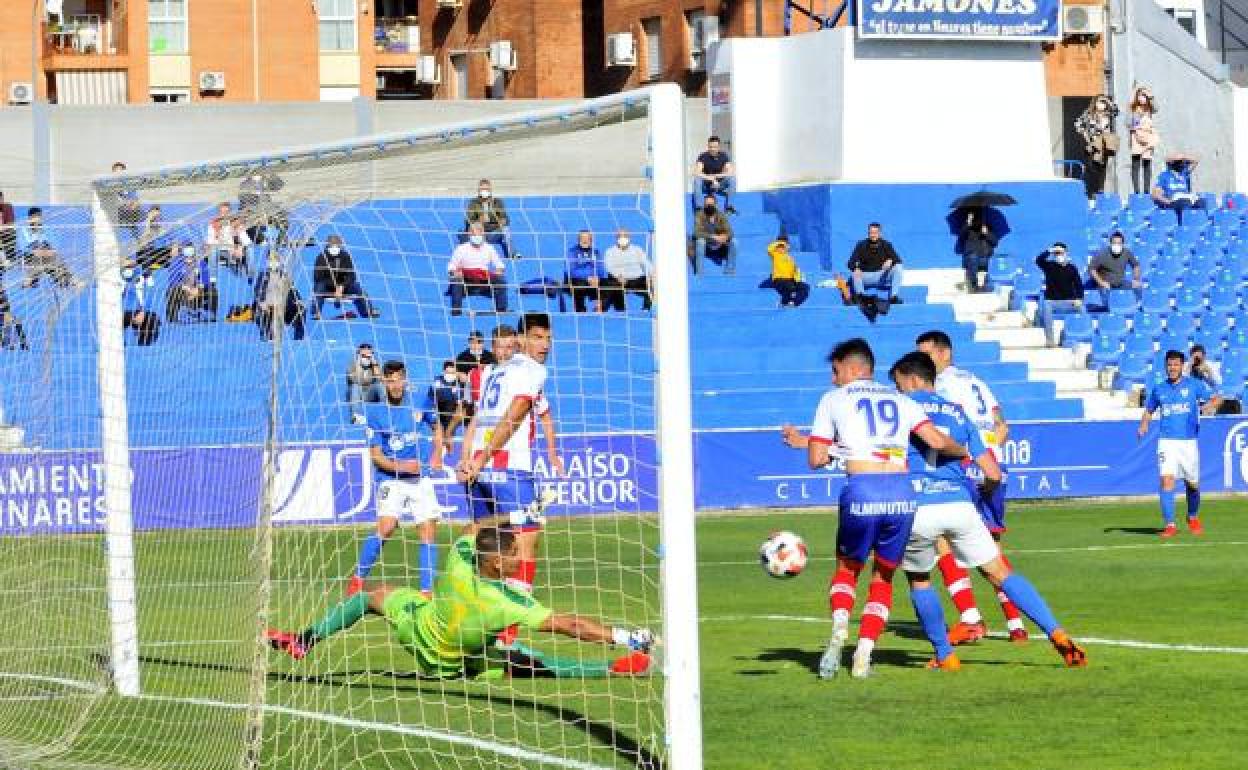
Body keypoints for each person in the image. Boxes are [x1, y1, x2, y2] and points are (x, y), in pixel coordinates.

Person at [781, 338, 968, 679]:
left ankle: (840, 629)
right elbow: (938, 442)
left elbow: (816, 460)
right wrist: (963, 452)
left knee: (848, 568)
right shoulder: (901, 399)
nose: (833, 379)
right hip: (902, 493)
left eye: (836, 371)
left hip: (862, 490)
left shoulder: (833, 399)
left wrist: (815, 445)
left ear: (855, 369)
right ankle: (865, 650)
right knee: (884, 575)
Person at [891, 352, 1088, 670]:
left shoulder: (901, 409)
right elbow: (993, 473)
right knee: (1000, 572)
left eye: (899, 384)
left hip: (919, 506)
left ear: (912, 379)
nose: (898, 390)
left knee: (919, 579)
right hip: (959, 504)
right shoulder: (957, 412)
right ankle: (1058, 635)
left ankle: (945, 655)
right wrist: (986, 492)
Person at [267, 525, 656, 680]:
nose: (521, 559)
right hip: (455, 664)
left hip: (418, 630)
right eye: (513, 554)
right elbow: (570, 626)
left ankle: (306, 639)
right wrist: (624, 634)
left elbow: (474, 533)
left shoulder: (459, 556)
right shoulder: (506, 603)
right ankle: (614, 666)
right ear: (496, 562)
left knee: (375, 596)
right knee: (532, 662)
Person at [915, 330, 1024, 644]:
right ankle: (1015, 623)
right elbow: (1002, 426)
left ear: (945, 353)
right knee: (991, 549)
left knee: (941, 540)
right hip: (995, 468)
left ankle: (970, 619)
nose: (922, 362)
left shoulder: (942, 386)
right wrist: (988, 457)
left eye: (927, 354)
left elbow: (940, 434)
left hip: (965, 469)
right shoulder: (977, 382)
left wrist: (966, 459)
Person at [457, 314, 556, 618]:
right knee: (524, 543)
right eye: (538, 337)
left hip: (480, 472)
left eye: (549, 338)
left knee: (483, 543)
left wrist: (468, 459)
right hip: (508, 469)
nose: (545, 345)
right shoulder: (532, 369)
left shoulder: (493, 370)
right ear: (521, 339)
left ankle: (467, 617)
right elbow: (514, 416)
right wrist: (483, 456)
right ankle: (508, 636)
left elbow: (475, 417)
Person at [346, 359, 446, 597]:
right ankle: (358, 579)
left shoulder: (421, 401)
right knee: (387, 526)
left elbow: (437, 425)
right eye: (389, 380)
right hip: (390, 478)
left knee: (428, 530)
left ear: (405, 379)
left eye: (398, 378)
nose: (395, 384)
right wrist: (401, 466)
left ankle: (426, 591)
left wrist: (437, 455)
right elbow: (376, 456)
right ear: (384, 382)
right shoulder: (375, 413)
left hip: (419, 478)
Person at [1138, 350, 1221, 538]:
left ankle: (1192, 516)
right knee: (1166, 480)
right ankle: (1170, 525)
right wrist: (1143, 425)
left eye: (1175, 364)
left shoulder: (1194, 385)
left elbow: (1218, 397)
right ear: (1165, 366)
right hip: (1166, 442)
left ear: (1182, 366)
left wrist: (1210, 405)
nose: (1172, 368)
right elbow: (1149, 410)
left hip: (1188, 442)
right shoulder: (1159, 389)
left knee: (1192, 484)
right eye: (1169, 364)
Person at [447, 222, 508, 317]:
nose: (476, 235)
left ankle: (501, 309)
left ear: (483, 233)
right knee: (455, 280)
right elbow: (451, 266)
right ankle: (456, 311)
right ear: (469, 234)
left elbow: (500, 264)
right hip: (466, 282)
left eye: (479, 232)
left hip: (484, 281)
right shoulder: (461, 248)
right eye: (473, 233)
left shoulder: (489, 248)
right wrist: (454, 272)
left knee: (500, 279)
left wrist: (499, 270)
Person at [312, 234, 378, 320]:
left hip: (344, 287)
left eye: (336, 245)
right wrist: (334, 286)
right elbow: (318, 277)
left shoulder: (345, 256)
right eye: (332, 246)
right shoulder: (321, 258)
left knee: (357, 287)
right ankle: (316, 312)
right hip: (327, 288)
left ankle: (367, 311)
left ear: (340, 246)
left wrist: (342, 286)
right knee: (318, 288)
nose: (334, 248)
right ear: (327, 246)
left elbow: (351, 275)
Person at [1034, 242, 1085, 346]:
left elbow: (1079, 285)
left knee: (1082, 309)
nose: (1059, 255)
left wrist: (1079, 298)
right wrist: (1050, 250)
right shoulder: (1049, 266)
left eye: (1061, 252)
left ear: (1066, 253)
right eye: (1057, 253)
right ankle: (1050, 340)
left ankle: (1078, 335)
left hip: (1069, 301)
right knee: (1046, 306)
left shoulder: (1072, 268)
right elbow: (1038, 260)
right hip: (1052, 301)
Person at [18, 208, 80, 290]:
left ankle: (69, 279)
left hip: (46, 256)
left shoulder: (46, 230)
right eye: (36, 217)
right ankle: (31, 277)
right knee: (40, 252)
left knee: (52, 255)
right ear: (30, 218)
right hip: (30, 257)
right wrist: (36, 250)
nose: (38, 219)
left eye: (40, 216)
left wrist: (45, 250)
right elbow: (23, 248)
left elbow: (52, 246)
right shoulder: (23, 230)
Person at [252, 251, 306, 341]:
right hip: (269, 307)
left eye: (275, 259)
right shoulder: (262, 276)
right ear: (267, 261)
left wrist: (298, 300)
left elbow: (292, 290)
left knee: (300, 308)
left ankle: (299, 337)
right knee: (260, 311)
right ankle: (267, 335)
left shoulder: (284, 275)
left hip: (284, 307)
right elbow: (258, 292)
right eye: (271, 260)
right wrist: (263, 303)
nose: (273, 262)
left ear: (279, 261)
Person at [1075, 94, 1119, 203]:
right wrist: (1085, 135)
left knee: (1102, 170)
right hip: (1092, 145)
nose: (1102, 104)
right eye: (1100, 102)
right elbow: (1077, 124)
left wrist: (1107, 101)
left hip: (1104, 145)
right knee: (1091, 169)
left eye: (1103, 102)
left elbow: (1116, 111)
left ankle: (1099, 191)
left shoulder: (1107, 114)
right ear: (1095, 103)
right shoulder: (1089, 114)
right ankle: (1090, 192)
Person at [847, 222, 903, 304]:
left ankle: (893, 297)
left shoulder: (886, 245)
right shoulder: (861, 245)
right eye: (870, 233)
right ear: (868, 233)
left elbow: (898, 260)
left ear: (879, 233)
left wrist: (891, 260)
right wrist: (856, 268)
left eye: (875, 233)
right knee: (854, 273)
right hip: (866, 276)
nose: (873, 235)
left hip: (881, 276)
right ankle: (861, 297)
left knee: (898, 267)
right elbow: (850, 263)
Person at [164, 242, 219, 323]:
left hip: (197, 293)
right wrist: (187, 289)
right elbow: (173, 282)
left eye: (191, 253)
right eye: (186, 253)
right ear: (182, 253)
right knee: (171, 291)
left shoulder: (201, 263)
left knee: (212, 290)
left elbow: (206, 280)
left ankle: (210, 313)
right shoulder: (176, 264)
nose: (189, 257)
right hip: (183, 294)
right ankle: (173, 317)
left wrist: (198, 289)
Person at [601, 229, 653, 312]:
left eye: (625, 236)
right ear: (616, 238)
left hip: (637, 279)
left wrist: (652, 274)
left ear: (629, 237)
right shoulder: (610, 251)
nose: (623, 238)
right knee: (608, 287)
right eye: (620, 236)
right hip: (618, 279)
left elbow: (646, 263)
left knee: (652, 285)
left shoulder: (637, 250)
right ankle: (605, 311)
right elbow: (608, 266)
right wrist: (618, 276)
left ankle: (645, 310)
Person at [1088, 231, 1142, 309]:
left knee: (1138, 286)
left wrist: (1136, 278)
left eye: (1119, 243)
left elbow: (1136, 265)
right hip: (1105, 284)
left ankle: (1138, 307)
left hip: (1120, 283)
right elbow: (1091, 269)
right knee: (1104, 293)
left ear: (1123, 244)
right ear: (1110, 243)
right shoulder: (1102, 254)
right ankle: (1106, 310)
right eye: (1114, 243)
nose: (1117, 245)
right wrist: (1101, 282)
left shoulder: (1127, 252)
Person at [463, 179, 512, 258]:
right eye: (482, 189)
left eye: (487, 189)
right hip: (479, 232)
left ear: (490, 190)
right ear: (478, 191)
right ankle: (474, 256)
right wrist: (478, 221)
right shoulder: (473, 202)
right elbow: (468, 219)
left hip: (494, 230)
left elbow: (505, 218)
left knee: (506, 229)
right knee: (473, 228)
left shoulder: (497, 202)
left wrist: (502, 221)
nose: (484, 191)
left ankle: (511, 254)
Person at [691, 194, 737, 276]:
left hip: (720, 246)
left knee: (734, 241)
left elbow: (730, 232)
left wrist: (724, 237)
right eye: (707, 204)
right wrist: (713, 237)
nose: (709, 206)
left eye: (711, 204)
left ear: (715, 205)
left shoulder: (721, 215)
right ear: (704, 205)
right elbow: (696, 232)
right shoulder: (699, 215)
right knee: (700, 241)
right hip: (706, 246)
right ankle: (699, 273)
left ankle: (729, 271)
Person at [1152, 153, 1204, 225]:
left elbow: (1195, 161)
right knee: (1184, 202)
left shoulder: (1184, 174)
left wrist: (1183, 156)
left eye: (1182, 162)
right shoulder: (1164, 175)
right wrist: (1169, 202)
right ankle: (1185, 225)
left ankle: (1197, 226)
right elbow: (1155, 194)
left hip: (1187, 197)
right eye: (1179, 162)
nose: (1182, 164)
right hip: (1175, 200)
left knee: (1201, 201)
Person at [204, 202, 252, 278]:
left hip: (232, 250)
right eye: (222, 212)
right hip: (219, 250)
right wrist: (217, 238)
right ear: (219, 213)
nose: (224, 215)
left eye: (226, 212)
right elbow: (210, 242)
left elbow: (246, 240)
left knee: (249, 250)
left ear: (230, 212)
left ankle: (250, 276)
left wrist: (240, 248)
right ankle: (213, 279)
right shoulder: (213, 224)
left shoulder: (236, 223)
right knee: (213, 251)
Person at [428, 359, 465, 455]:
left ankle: (450, 453)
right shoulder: (437, 381)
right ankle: (437, 453)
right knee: (438, 438)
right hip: (438, 414)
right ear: (444, 371)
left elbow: (461, 401)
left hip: (453, 415)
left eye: (452, 372)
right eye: (448, 372)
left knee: (450, 438)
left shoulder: (460, 383)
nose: (450, 374)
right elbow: (431, 397)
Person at [956, 209, 998, 293]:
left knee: (992, 262)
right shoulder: (969, 228)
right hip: (973, 255)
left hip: (985, 255)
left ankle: (987, 285)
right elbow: (961, 235)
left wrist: (987, 233)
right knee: (973, 258)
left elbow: (995, 242)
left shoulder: (987, 227)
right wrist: (968, 222)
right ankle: (973, 285)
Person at [565, 230, 607, 313]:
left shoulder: (596, 252)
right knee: (579, 285)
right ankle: (580, 310)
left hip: (594, 279)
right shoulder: (572, 252)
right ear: (578, 239)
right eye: (582, 238)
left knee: (608, 283)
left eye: (587, 238)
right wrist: (587, 277)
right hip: (577, 280)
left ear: (591, 240)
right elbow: (570, 271)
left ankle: (600, 308)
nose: (585, 240)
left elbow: (601, 269)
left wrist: (597, 278)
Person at [692, 136, 736, 214]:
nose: (712, 149)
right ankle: (699, 208)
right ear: (708, 146)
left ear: (719, 147)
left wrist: (716, 177)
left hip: (719, 185)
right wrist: (711, 179)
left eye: (715, 147)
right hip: (706, 185)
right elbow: (696, 172)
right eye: (710, 147)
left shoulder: (724, 156)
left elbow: (730, 172)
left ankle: (729, 207)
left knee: (732, 179)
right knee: (697, 179)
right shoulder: (703, 156)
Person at [1128, 86, 1159, 196]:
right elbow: (1129, 123)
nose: (1143, 98)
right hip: (1136, 137)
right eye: (1141, 95)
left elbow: (1156, 108)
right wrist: (1137, 116)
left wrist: (1150, 96)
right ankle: (1136, 191)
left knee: (1147, 164)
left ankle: (1146, 191)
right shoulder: (1133, 108)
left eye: (1144, 96)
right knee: (1135, 164)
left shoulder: (1150, 108)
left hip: (1148, 137)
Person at [121, 262, 160, 346]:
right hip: (123, 312)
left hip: (141, 312)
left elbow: (149, 297)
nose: (129, 269)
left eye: (131, 266)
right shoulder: (117, 280)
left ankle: (145, 339)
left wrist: (143, 312)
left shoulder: (144, 279)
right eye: (127, 267)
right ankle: (118, 341)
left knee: (152, 319)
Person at [765, 235, 809, 308]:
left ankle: (792, 303)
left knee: (805, 287)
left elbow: (795, 271)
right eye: (780, 246)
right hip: (779, 279)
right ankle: (785, 302)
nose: (782, 248)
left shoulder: (790, 258)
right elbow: (769, 248)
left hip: (790, 280)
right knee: (789, 288)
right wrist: (780, 242)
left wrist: (798, 281)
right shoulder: (775, 254)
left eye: (783, 246)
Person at [345, 343, 383, 419]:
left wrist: (374, 363)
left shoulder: (374, 366)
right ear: (358, 355)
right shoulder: (352, 366)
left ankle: (388, 411)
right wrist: (358, 362)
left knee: (379, 385)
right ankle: (355, 417)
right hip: (356, 395)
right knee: (356, 386)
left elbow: (380, 379)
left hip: (370, 395)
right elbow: (357, 380)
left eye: (369, 356)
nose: (366, 358)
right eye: (363, 356)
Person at [134, 205, 177, 271]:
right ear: (149, 214)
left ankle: (155, 268)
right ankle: (150, 269)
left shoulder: (163, 225)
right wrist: (148, 220)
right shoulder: (142, 225)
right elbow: (144, 236)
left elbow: (173, 237)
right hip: (146, 251)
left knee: (166, 254)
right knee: (144, 255)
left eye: (157, 215)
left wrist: (174, 246)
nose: (155, 217)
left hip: (160, 251)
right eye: (153, 214)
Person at [111, 162, 145, 239]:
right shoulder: (108, 186)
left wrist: (131, 205)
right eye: (116, 172)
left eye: (120, 172)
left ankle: (140, 240)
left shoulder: (129, 186)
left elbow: (135, 201)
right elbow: (114, 201)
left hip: (128, 212)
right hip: (115, 212)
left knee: (141, 212)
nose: (118, 174)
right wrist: (125, 203)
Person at [0, 191, 17, 266]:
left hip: (6, 232)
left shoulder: (8, 207)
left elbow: (10, 223)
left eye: (1, 199)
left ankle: (9, 259)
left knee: (10, 234)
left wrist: (2, 228)